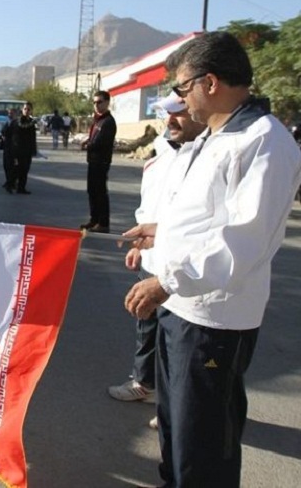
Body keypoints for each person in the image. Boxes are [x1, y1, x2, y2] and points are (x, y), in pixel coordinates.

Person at [123, 31, 301, 487]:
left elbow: (243, 240)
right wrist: (162, 233)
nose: (180, 101)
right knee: (175, 428)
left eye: (182, 89)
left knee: (203, 442)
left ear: (211, 82)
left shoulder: (264, 141)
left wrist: (166, 280)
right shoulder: (216, 136)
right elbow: (209, 215)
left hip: (211, 319)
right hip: (182, 307)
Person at [108, 92, 206, 430]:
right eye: (167, 113)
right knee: (148, 327)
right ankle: (146, 385)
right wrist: (142, 244)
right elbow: (152, 204)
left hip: (185, 272)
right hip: (154, 258)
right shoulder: (163, 153)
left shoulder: (207, 155)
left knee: (179, 343)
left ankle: (175, 403)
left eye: (179, 112)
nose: (170, 121)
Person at [80, 90, 117, 233]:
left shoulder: (108, 121)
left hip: (101, 162)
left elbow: (100, 142)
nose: (96, 105)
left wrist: (87, 145)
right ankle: (94, 219)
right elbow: (94, 138)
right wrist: (87, 142)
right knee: (92, 191)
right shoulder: (98, 120)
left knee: (100, 192)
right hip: (93, 161)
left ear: (107, 103)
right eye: (94, 102)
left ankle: (103, 222)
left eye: (100, 102)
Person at [4, 102, 38, 194]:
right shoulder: (16, 122)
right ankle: (10, 185)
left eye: (28, 109)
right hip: (16, 151)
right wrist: (10, 149)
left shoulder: (31, 123)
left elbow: (32, 138)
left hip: (27, 151)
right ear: (22, 110)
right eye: (25, 109)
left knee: (25, 169)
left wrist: (34, 150)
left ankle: (21, 188)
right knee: (15, 169)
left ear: (31, 111)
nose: (27, 111)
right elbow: (8, 135)